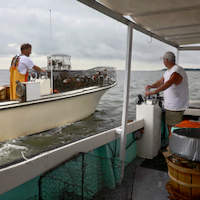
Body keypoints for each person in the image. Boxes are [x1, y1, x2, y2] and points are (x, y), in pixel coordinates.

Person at [145, 51, 189, 137]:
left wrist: (153, 92)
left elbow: (169, 83)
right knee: (170, 129)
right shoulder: (169, 71)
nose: (163, 62)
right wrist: (151, 86)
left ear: (167, 60)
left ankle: (172, 148)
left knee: (174, 130)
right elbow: (161, 81)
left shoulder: (177, 70)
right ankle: (172, 146)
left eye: (164, 60)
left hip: (176, 107)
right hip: (171, 107)